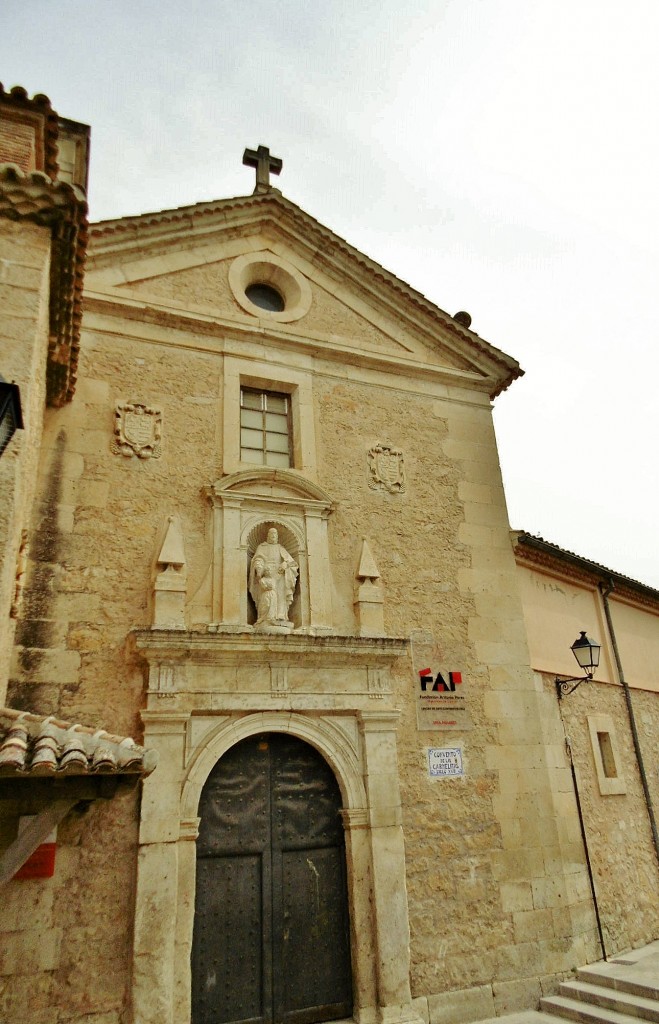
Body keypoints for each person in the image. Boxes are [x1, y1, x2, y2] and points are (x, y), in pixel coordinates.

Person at [248, 528, 298, 624]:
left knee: (280, 594)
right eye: (272, 533)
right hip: (267, 574)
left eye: (275, 534)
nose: (274, 535)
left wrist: (285, 565)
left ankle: (280, 616)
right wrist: (259, 569)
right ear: (268, 535)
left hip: (280, 575)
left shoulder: (280, 548)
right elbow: (258, 559)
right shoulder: (262, 547)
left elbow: (292, 563)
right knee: (267, 597)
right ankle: (266, 617)